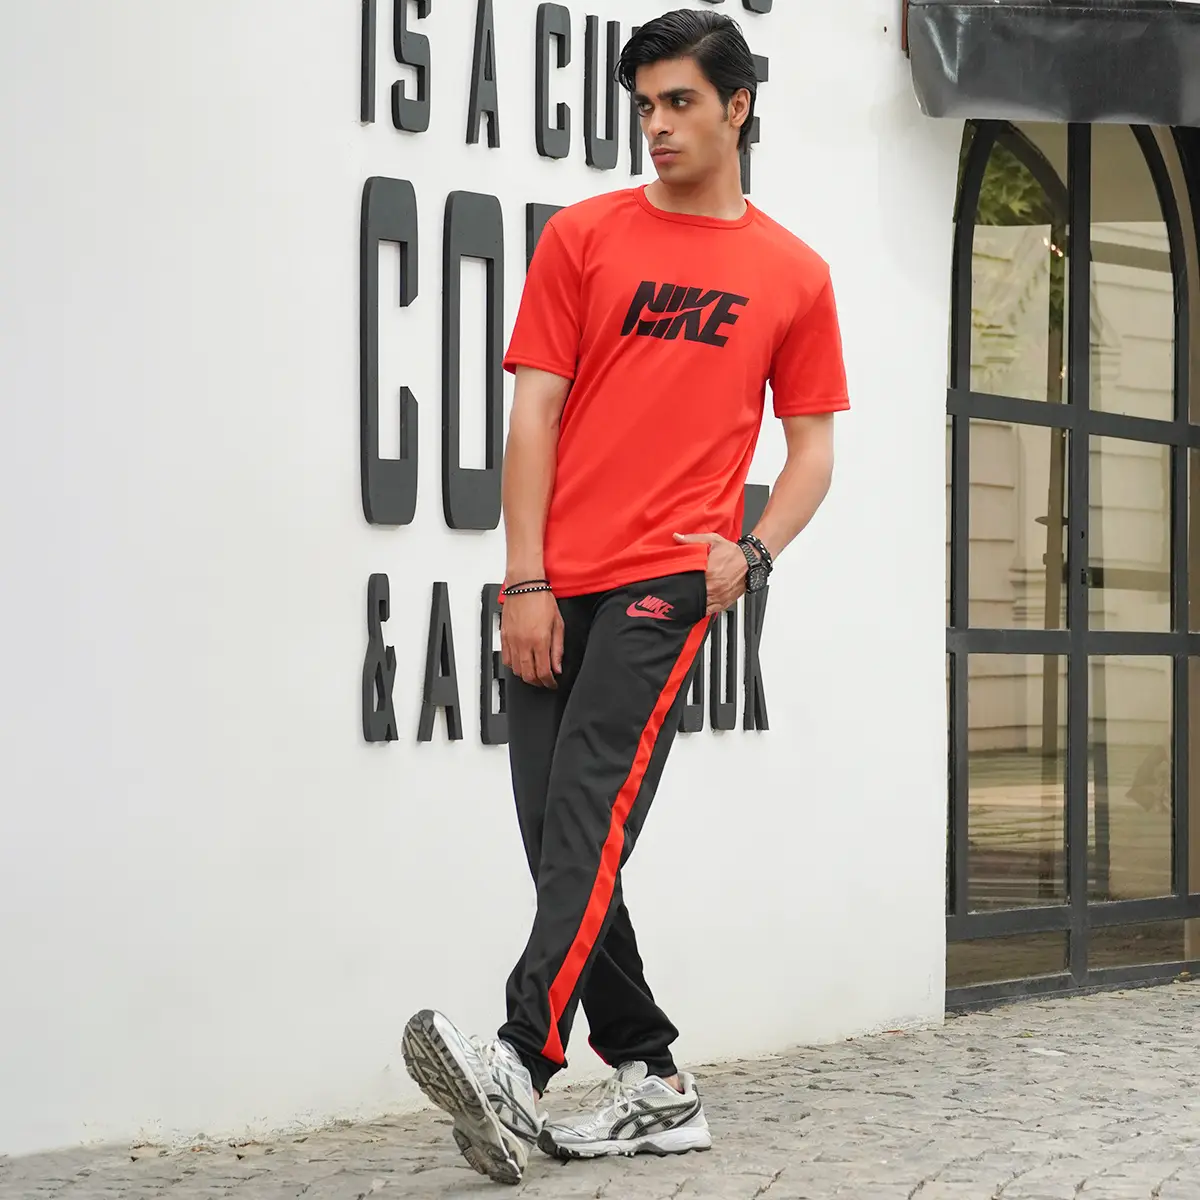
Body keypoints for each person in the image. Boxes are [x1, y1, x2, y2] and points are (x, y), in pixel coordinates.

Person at [400, 8, 850, 1185]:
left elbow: (812, 449)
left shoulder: (794, 274)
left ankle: (519, 1059)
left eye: (679, 102)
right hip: (558, 579)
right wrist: (526, 578)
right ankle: (652, 1076)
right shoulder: (584, 238)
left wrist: (752, 554)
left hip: (668, 578)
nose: (656, 125)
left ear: (737, 106)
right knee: (563, 835)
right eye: (644, 105)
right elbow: (533, 415)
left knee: (588, 810)